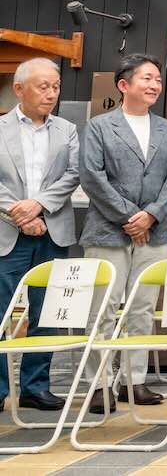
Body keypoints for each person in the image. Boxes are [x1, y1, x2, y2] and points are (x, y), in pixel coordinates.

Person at [79, 53, 167, 414]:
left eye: (157, 79)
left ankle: (133, 380)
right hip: (108, 231)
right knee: (102, 307)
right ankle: (98, 385)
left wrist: (152, 215)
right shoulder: (99, 127)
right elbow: (92, 177)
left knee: (142, 306)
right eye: (147, 79)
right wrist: (129, 216)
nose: (155, 85)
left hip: (155, 232)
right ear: (124, 85)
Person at [0, 58, 80, 414]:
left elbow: (75, 173)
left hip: (52, 230)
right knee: (1, 312)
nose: (51, 94)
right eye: (43, 87)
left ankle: (36, 386)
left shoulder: (67, 129)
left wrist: (39, 206)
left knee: (47, 311)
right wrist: (18, 213)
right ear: (19, 89)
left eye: (56, 87)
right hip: (7, 231)